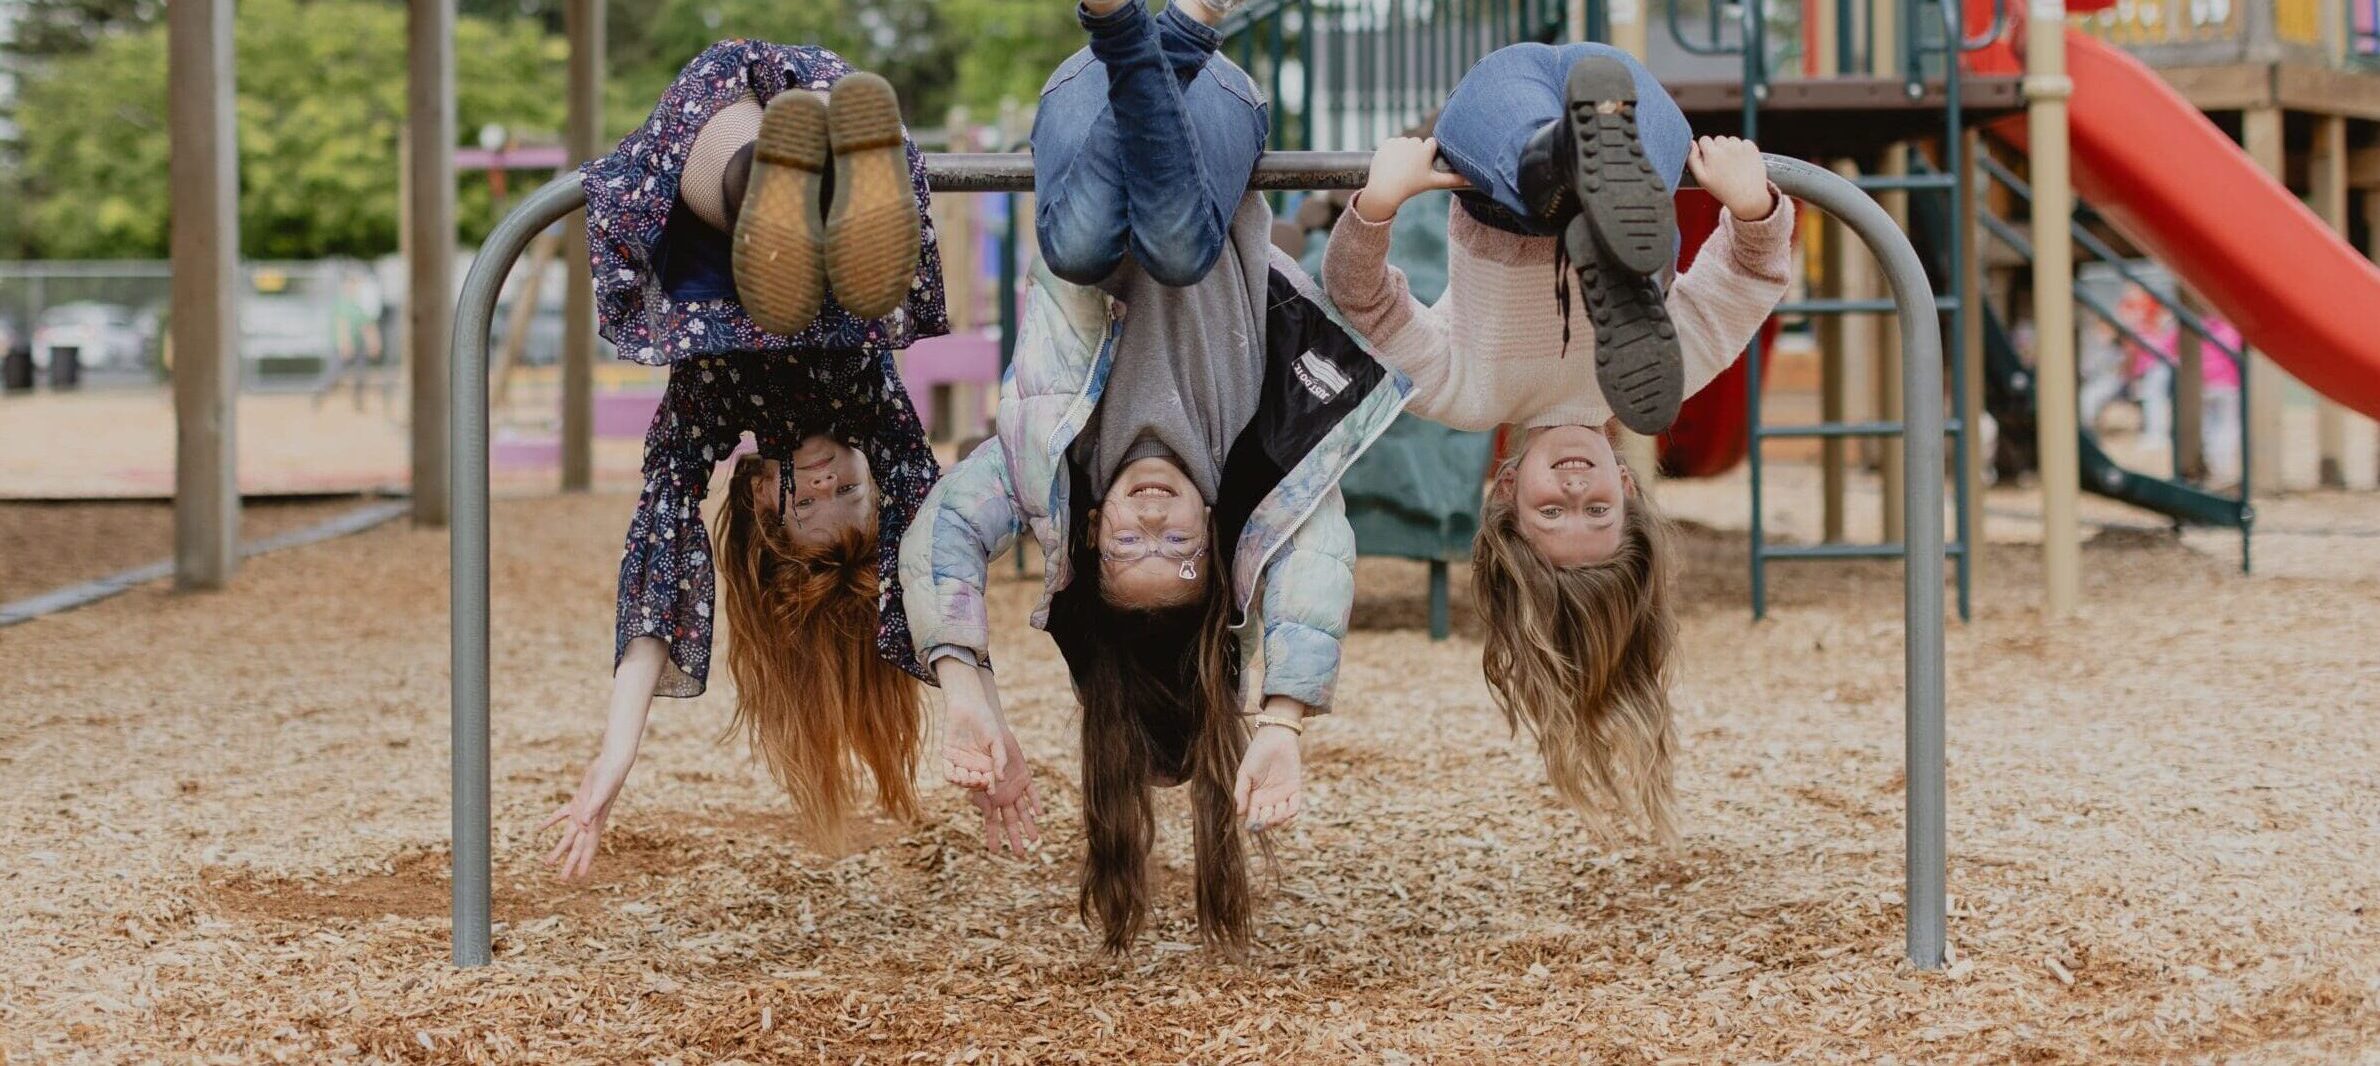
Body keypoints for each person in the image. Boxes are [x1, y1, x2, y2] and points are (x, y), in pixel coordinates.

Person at [1321, 44, 1796, 837]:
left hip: (1499, 142)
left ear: (1505, 495)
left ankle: (1569, 178)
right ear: (1628, 492)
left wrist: (1376, 207)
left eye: (1553, 516)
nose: (1575, 494)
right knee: (1629, 163)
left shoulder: (1462, 392)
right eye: (1596, 514)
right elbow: (1751, 276)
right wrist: (1754, 209)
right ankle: (1599, 202)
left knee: (1524, 182)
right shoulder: (1665, 377)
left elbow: (1359, 300)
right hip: (1630, 109)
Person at [539, 40, 985, 878]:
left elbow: (659, 585)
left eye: (802, 506)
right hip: (839, 187)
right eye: (846, 492)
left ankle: (781, 184)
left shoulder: (706, 418)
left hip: (741, 148)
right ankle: (833, 192)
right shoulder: (879, 418)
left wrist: (615, 756)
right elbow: (937, 578)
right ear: (876, 481)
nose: (821, 485)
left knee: (695, 211)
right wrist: (975, 709)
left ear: (752, 499)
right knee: (863, 291)